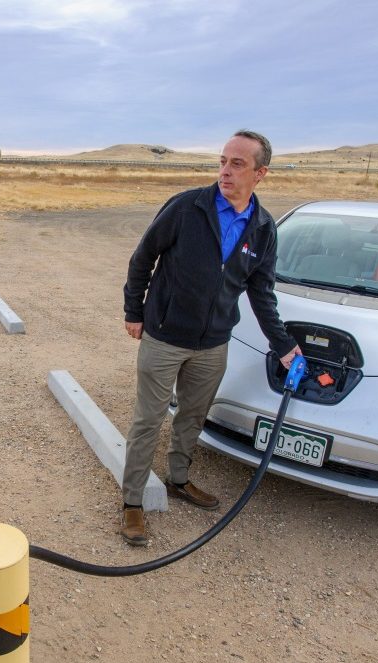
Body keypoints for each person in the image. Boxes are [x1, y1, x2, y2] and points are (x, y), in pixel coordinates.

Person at [120, 129, 301, 546]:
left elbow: (262, 293)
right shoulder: (187, 207)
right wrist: (134, 311)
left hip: (214, 344)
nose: (225, 171)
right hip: (164, 336)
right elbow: (143, 257)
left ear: (261, 174)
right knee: (148, 420)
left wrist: (283, 344)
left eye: (237, 164)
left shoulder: (262, 228)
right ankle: (132, 503)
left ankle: (179, 480)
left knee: (192, 418)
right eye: (222, 161)